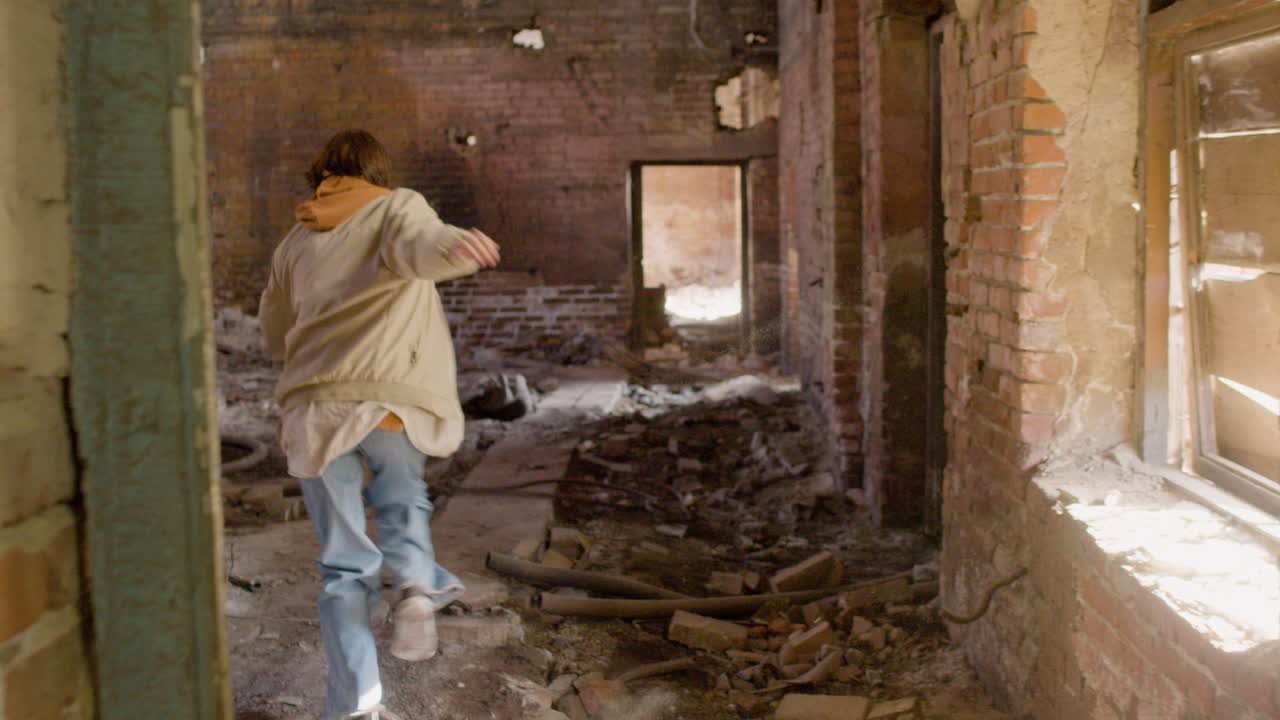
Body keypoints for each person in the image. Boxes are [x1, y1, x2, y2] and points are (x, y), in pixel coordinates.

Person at [259, 128, 500, 720]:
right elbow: (424, 244)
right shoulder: (396, 207)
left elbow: (272, 328)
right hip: (389, 399)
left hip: (315, 410)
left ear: (321, 174)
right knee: (400, 501)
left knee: (344, 566)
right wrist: (457, 248)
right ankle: (417, 589)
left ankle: (358, 706)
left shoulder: (295, 239)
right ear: (377, 173)